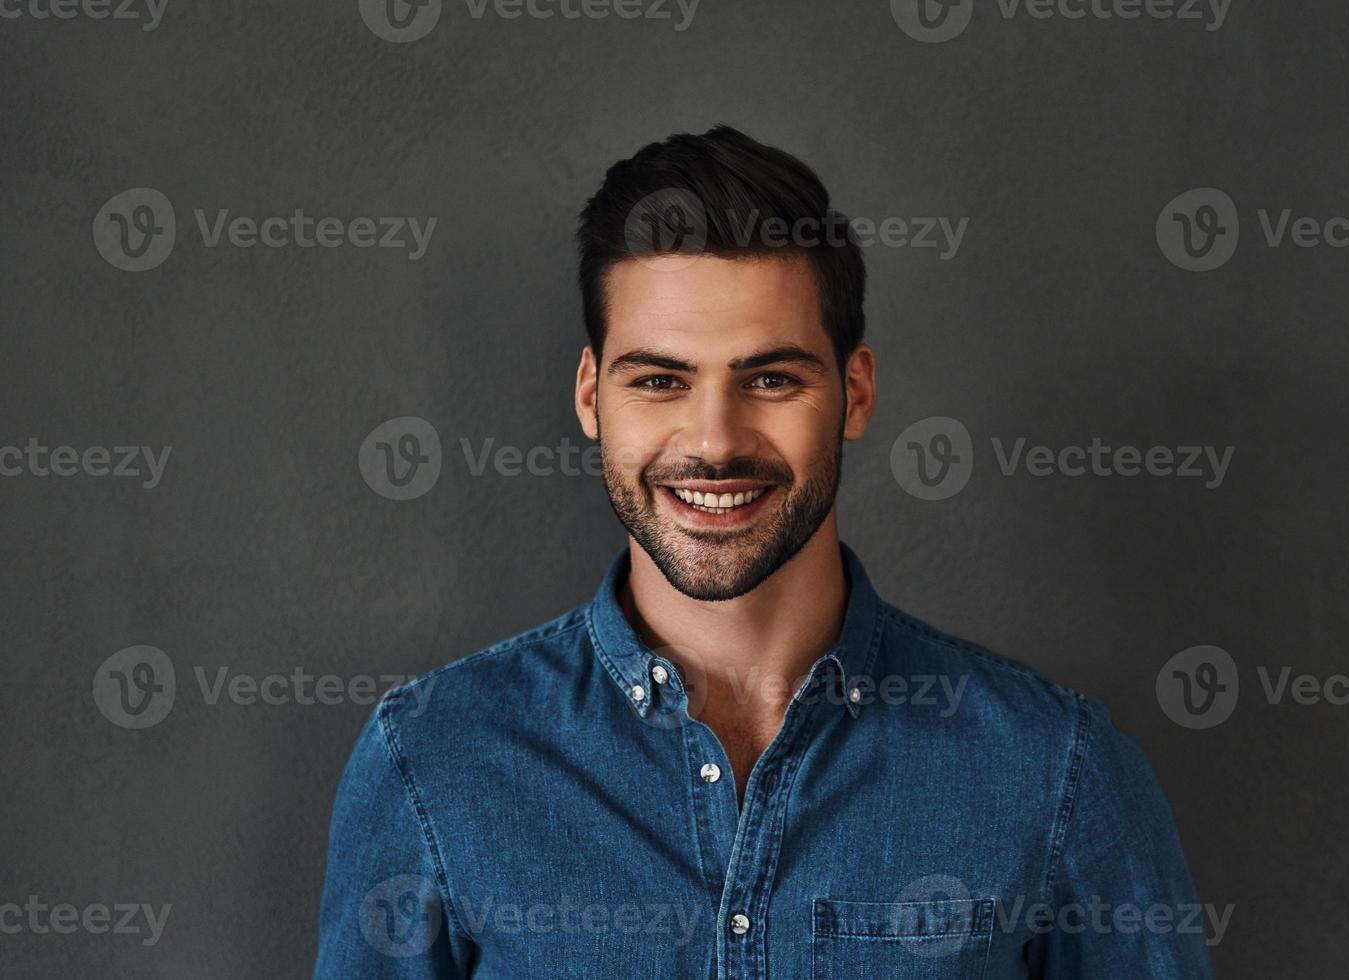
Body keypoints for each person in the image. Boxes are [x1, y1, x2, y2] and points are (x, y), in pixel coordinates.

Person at [312, 124, 1213, 978]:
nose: (713, 441)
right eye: (659, 380)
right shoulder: (431, 759)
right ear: (591, 396)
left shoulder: (1056, 769)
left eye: (771, 378)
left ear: (854, 393)